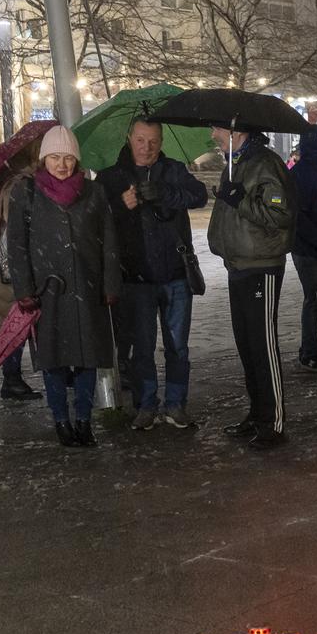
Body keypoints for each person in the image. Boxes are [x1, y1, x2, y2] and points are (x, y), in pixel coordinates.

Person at [5, 126, 120, 448]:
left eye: (68, 158)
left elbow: (109, 241)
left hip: (87, 287)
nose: (62, 164)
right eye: (55, 157)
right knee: (53, 361)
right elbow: (17, 246)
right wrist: (24, 289)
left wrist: (110, 283)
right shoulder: (26, 192)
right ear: (44, 160)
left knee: (87, 359)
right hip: (47, 292)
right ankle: (60, 420)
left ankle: (84, 419)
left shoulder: (93, 192)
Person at [98, 118, 209, 430]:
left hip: (175, 273)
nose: (147, 148)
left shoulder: (173, 169)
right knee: (141, 349)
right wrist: (120, 205)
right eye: (141, 140)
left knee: (178, 346)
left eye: (153, 141)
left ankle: (176, 404)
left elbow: (198, 196)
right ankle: (145, 404)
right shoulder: (111, 176)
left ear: (161, 142)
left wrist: (164, 193)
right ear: (129, 137)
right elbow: (95, 217)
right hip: (135, 277)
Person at [208, 122, 295, 449]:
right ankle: (258, 414)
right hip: (240, 264)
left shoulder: (264, 163)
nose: (213, 135)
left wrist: (239, 199)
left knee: (263, 345)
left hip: (261, 266)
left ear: (236, 131)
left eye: (217, 129)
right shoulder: (238, 162)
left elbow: (279, 214)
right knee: (248, 345)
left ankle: (272, 423)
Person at [0, 146, 39, 402]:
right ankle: (12, 379)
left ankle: (13, 378)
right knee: (17, 323)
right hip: (12, 267)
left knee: (19, 322)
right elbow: (18, 229)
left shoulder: (18, 183)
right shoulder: (22, 186)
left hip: (8, 264)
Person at [289, 125, 317, 373]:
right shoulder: (303, 174)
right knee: (314, 299)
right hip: (308, 247)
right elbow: (300, 217)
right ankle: (310, 351)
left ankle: (312, 348)